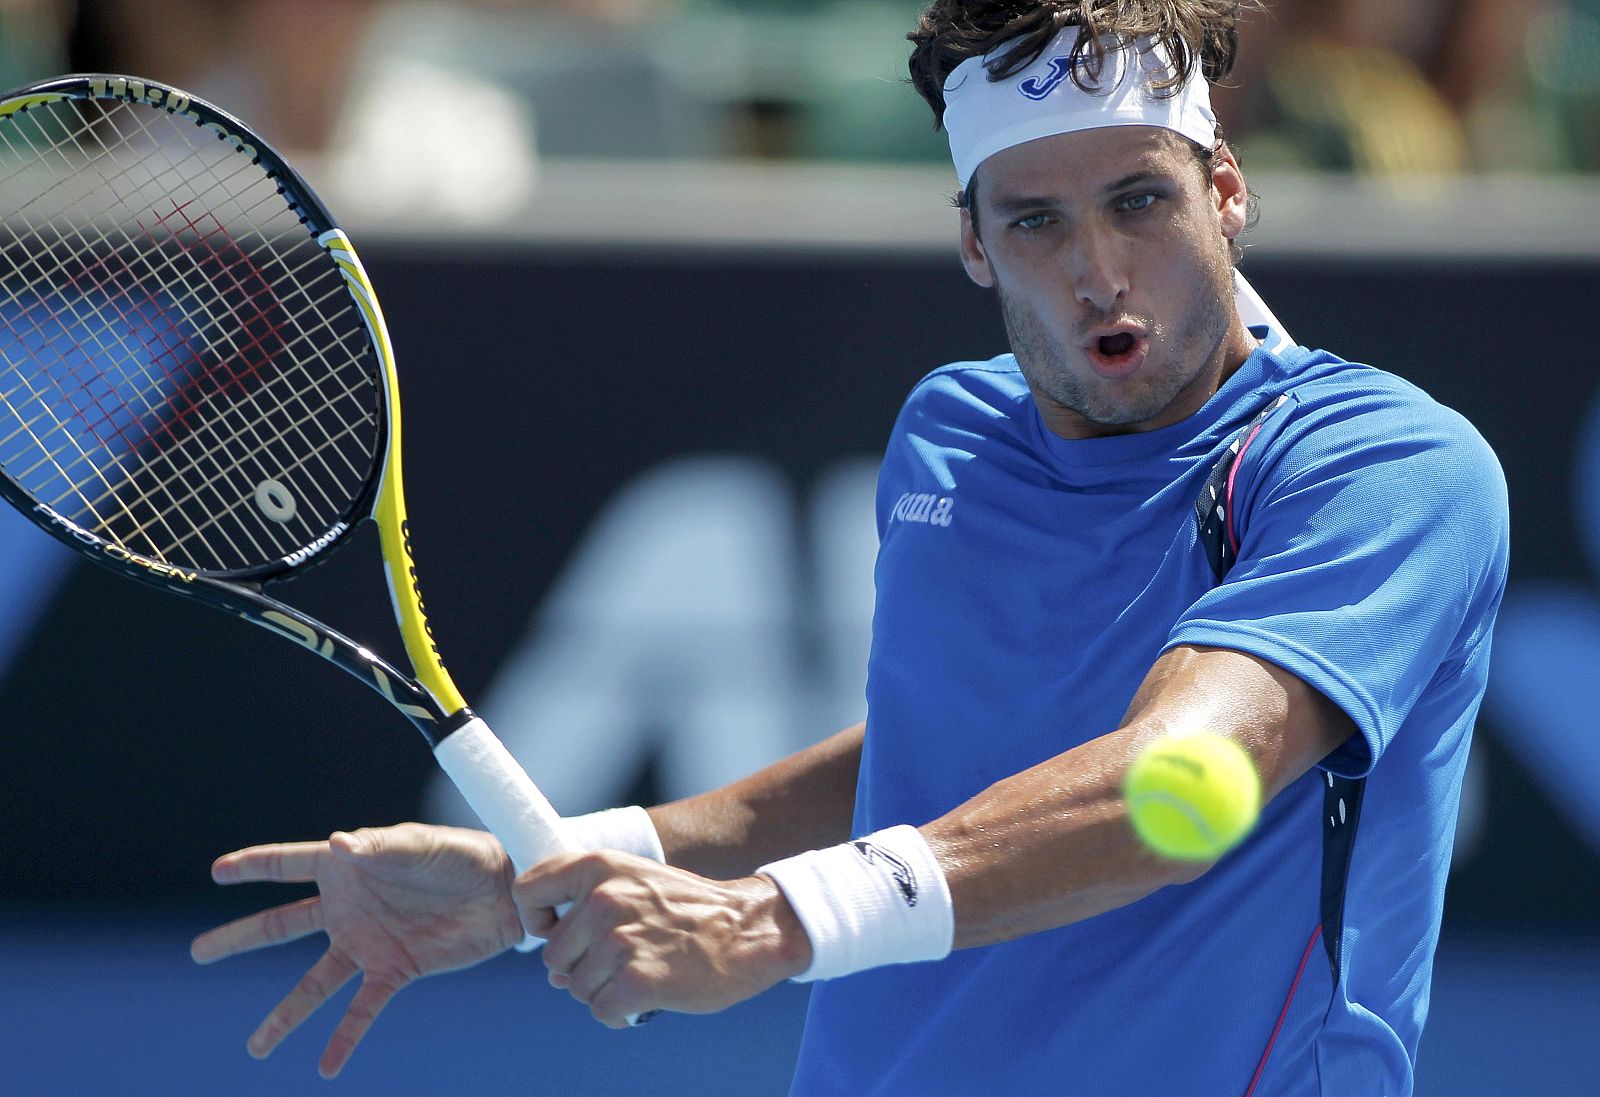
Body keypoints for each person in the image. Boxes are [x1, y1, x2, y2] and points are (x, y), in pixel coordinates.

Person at [190, 2, 1510, 1092]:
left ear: (1226, 192)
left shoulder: (1383, 466)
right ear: (974, 243)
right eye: (1036, 221)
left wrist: (775, 919)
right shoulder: (951, 436)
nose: (1098, 271)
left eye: (1140, 202)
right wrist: (553, 868)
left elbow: (1181, 778)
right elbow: (940, 749)